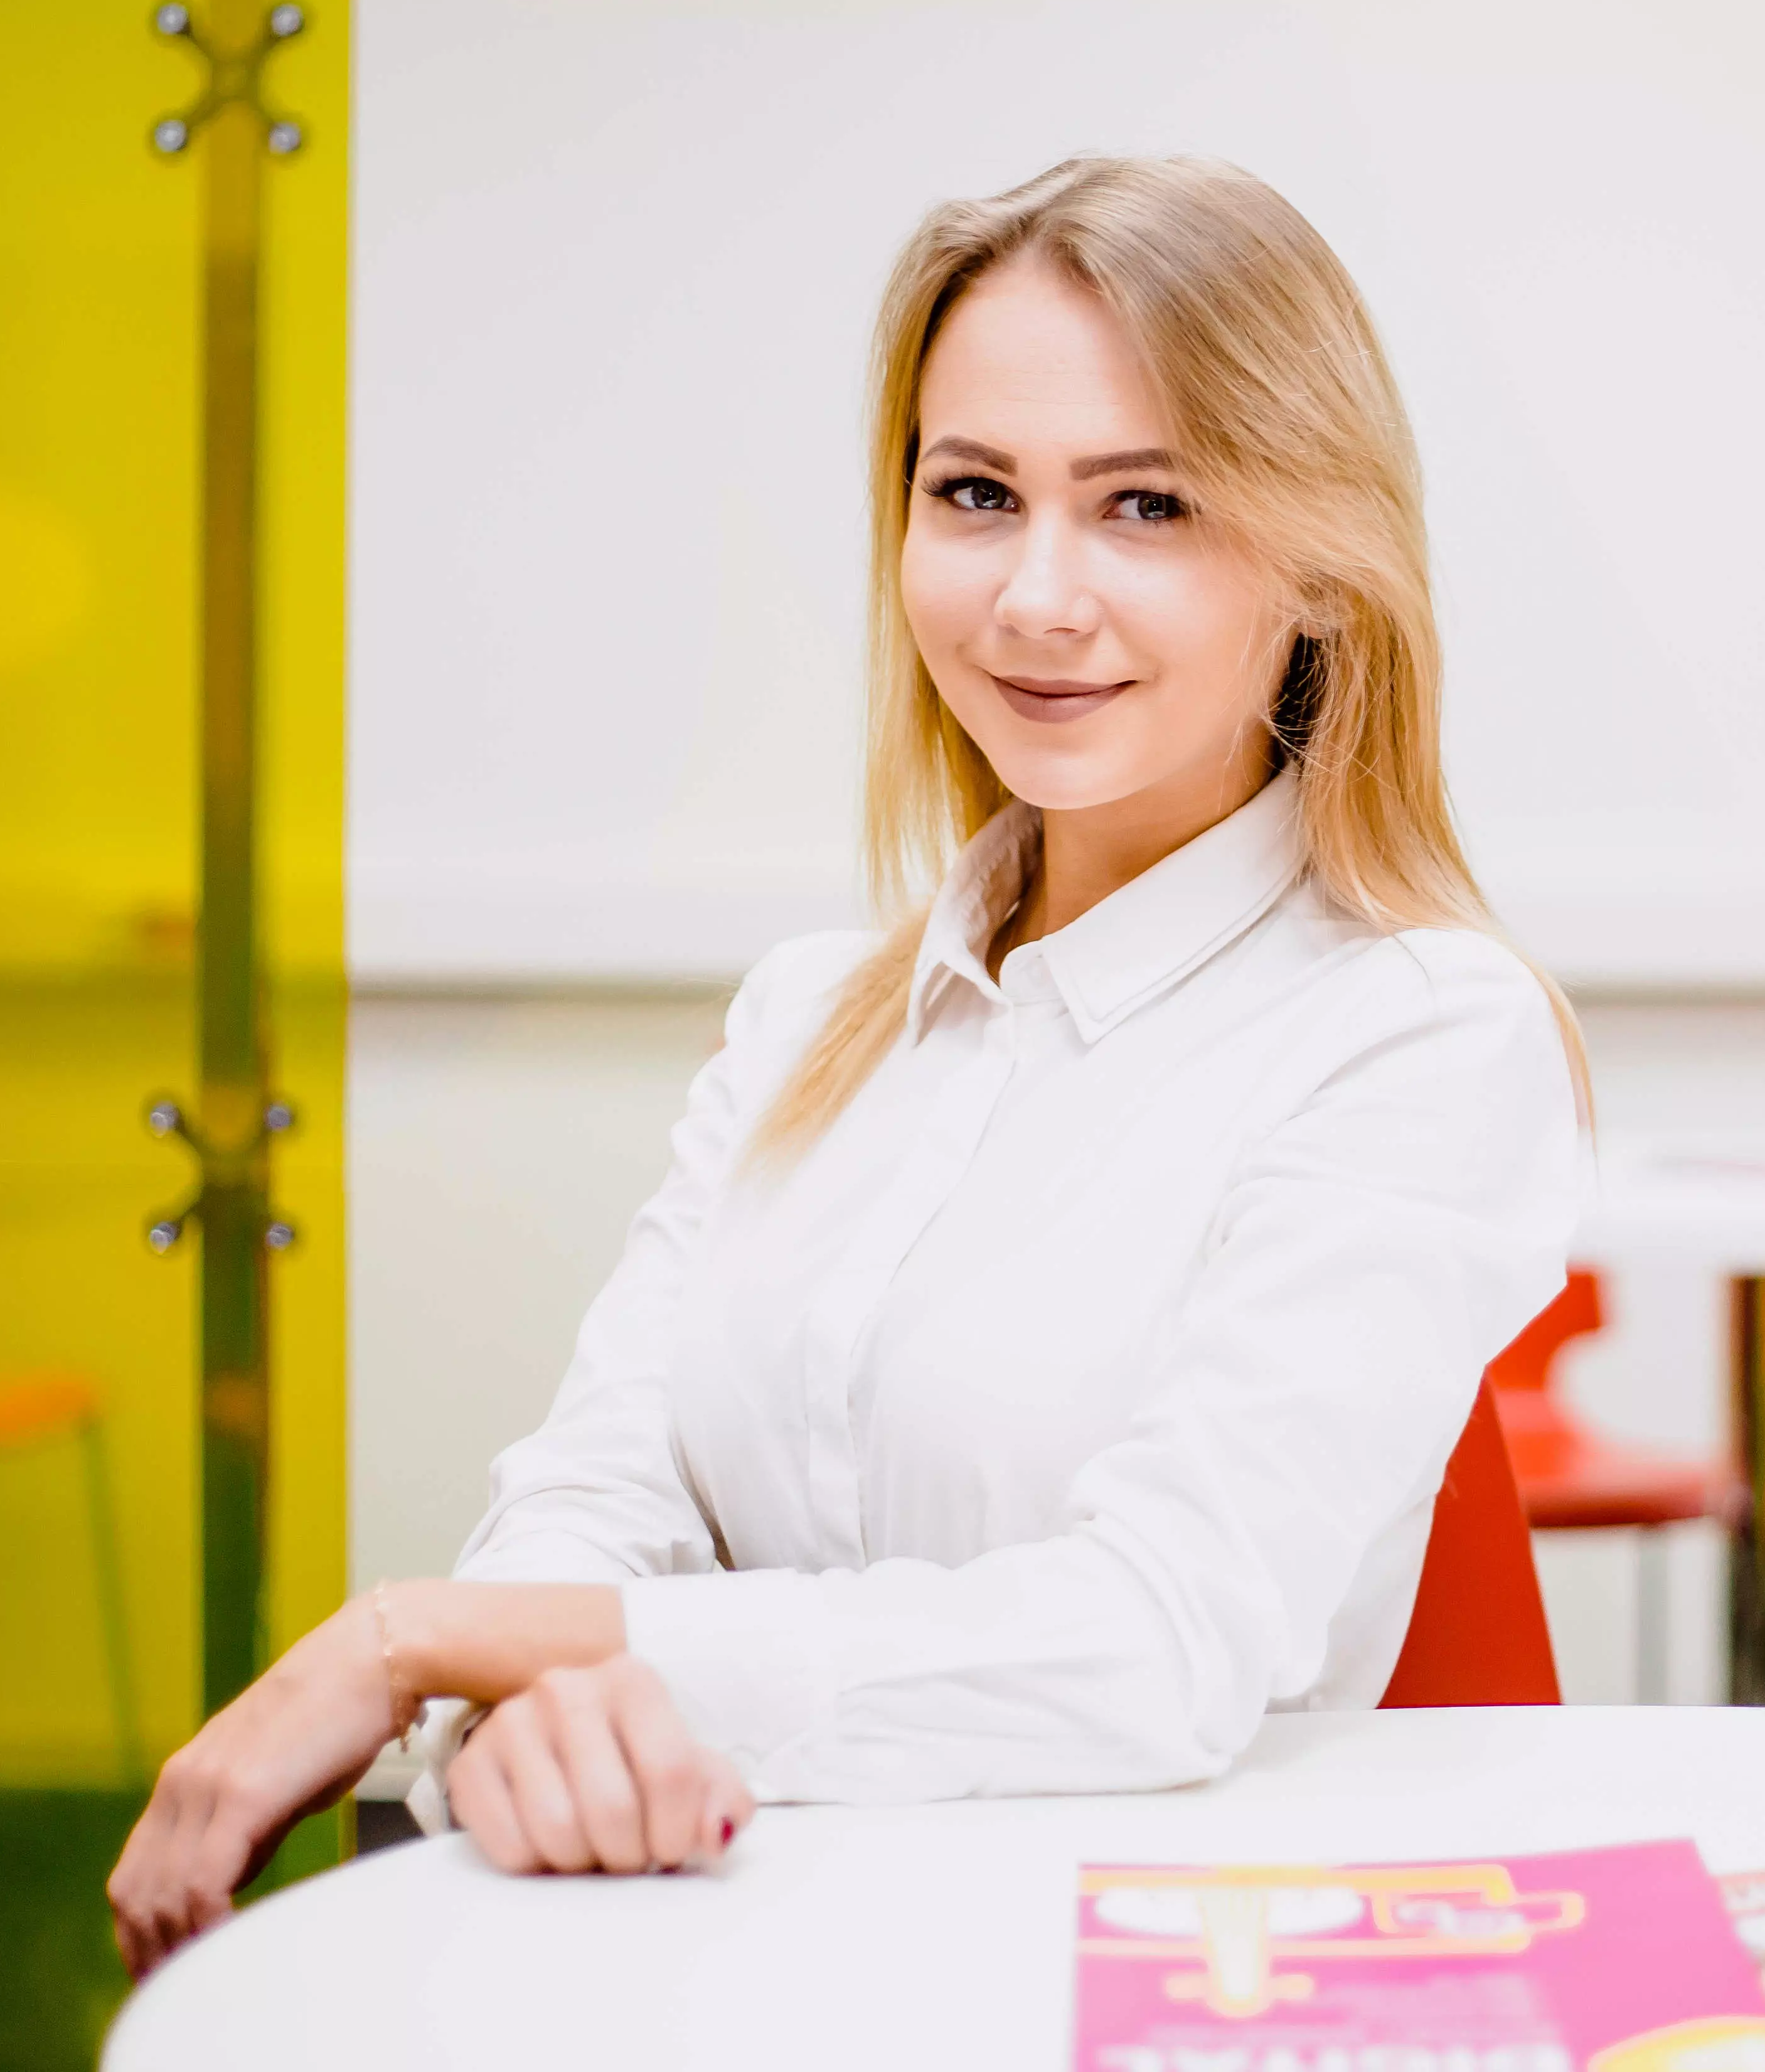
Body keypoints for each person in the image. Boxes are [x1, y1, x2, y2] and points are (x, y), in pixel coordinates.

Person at [107, 156, 1592, 1977]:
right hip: (737, 1952)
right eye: (975, 493)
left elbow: (1157, 1641)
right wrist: (551, 1695)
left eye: (1147, 504)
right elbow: (606, 1481)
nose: (1036, 596)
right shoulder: (810, 1017)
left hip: (1145, 1985)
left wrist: (434, 1642)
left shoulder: (1418, 1032)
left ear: (1319, 567)